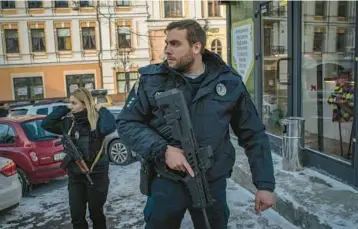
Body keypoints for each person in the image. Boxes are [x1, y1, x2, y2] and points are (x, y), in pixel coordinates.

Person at [117, 19, 276, 229]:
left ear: (196, 47)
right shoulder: (152, 80)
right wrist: (163, 149)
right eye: (167, 44)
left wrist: (264, 185)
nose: (167, 50)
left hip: (211, 181)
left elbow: (253, 134)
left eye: (175, 44)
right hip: (167, 182)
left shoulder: (228, 81)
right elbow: (127, 123)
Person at [42, 88, 116, 229]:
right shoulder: (69, 123)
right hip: (75, 177)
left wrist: (100, 108)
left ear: (84, 103)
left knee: (96, 215)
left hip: (95, 176)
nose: (72, 106)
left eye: (74, 103)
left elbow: (109, 126)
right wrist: (65, 108)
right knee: (77, 217)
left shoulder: (96, 121)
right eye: (70, 103)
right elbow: (46, 124)